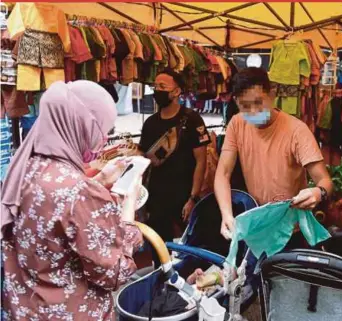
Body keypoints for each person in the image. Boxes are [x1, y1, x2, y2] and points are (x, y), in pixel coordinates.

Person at [1, 81, 143, 320]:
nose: (104, 138)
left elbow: (55, 217)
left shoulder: (23, 167)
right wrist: (128, 209)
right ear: (80, 126)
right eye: (102, 130)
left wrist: (98, 181)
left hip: (26, 310)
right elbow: (115, 272)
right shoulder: (79, 191)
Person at [214, 67, 333, 240]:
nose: (253, 111)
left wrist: (318, 192)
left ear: (272, 95)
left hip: (292, 229)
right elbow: (222, 173)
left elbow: (325, 181)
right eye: (245, 106)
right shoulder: (236, 123)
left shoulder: (297, 130)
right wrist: (226, 215)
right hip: (257, 224)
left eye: (258, 102)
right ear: (236, 102)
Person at [139, 71, 210, 260]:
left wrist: (193, 197)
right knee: (159, 248)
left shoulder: (192, 120)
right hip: (157, 196)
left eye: (163, 87)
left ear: (177, 91)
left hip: (184, 195)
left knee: (192, 245)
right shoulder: (150, 123)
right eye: (155, 86)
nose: (157, 90)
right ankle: (160, 283)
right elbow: (143, 157)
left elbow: (201, 161)